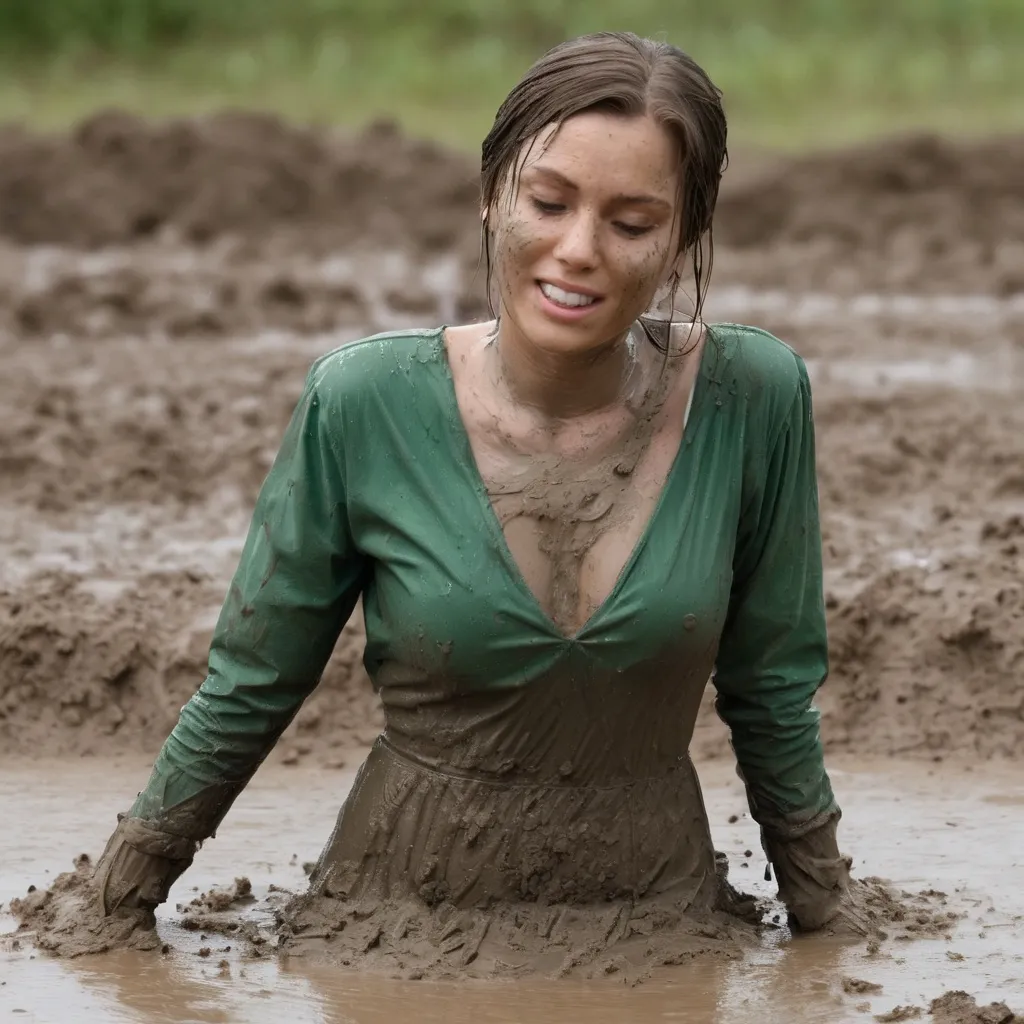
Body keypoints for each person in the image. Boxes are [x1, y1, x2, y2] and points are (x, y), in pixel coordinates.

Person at [90, 31, 865, 972]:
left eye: (630, 222)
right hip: (388, 931)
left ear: (680, 241)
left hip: (663, 929)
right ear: (491, 196)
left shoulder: (754, 396)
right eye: (548, 202)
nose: (578, 250)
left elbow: (773, 690)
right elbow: (252, 685)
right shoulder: (363, 402)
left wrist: (826, 926)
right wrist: (118, 905)